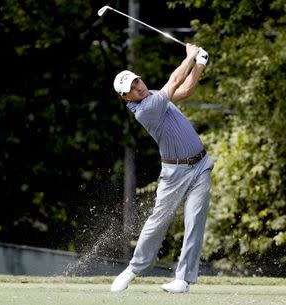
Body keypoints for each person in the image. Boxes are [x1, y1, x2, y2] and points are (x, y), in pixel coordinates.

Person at [110, 43, 214, 294]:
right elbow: (176, 78)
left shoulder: (153, 95)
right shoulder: (146, 109)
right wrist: (189, 56)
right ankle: (133, 269)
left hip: (200, 166)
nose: (138, 87)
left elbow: (185, 89)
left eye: (137, 81)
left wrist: (200, 64)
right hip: (174, 174)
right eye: (132, 88)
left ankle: (183, 280)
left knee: (194, 220)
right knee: (158, 221)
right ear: (126, 98)